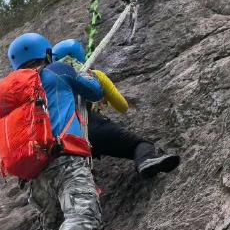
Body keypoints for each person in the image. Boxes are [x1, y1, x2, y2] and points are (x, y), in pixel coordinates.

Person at [0, 33, 107, 230]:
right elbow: (95, 92)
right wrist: (85, 72)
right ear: (47, 54)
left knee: (53, 228)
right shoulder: (58, 70)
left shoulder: (12, 95)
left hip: (33, 176)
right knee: (83, 212)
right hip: (66, 159)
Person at [52, 40, 180, 180]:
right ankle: (145, 160)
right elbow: (122, 106)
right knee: (138, 144)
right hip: (93, 128)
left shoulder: (49, 84)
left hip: (60, 141)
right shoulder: (94, 75)